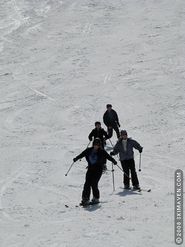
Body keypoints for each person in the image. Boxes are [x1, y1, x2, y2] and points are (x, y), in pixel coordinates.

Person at [73, 138, 117, 206]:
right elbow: (82, 154)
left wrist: (113, 161)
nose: (96, 146)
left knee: (94, 183)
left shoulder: (102, 151)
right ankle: (85, 199)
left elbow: (108, 156)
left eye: (98, 145)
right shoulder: (88, 150)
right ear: (93, 144)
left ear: (99, 145)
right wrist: (76, 158)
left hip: (98, 170)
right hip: (90, 169)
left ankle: (96, 198)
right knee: (87, 183)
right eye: (95, 144)